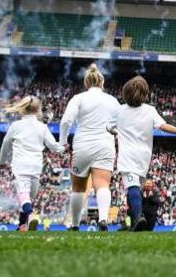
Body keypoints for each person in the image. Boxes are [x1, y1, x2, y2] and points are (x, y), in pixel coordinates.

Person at [108, 75, 176, 231]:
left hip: (128, 155)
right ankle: (135, 221)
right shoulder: (150, 110)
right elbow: (163, 126)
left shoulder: (119, 110)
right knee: (135, 189)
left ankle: (138, 217)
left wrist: (117, 131)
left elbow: (108, 127)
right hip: (144, 156)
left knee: (132, 188)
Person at [59, 63, 121, 231]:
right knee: (102, 184)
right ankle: (103, 220)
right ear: (102, 83)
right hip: (105, 145)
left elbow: (65, 121)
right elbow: (119, 126)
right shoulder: (113, 101)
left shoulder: (78, 98)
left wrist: (63, 142)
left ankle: (75, 224)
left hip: (82, 145)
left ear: (86, 83)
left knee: (78, 187)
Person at [0, 95, 64, 231]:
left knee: (24, 196)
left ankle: (30, 215)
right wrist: (64, 147)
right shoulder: (42, 127)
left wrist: (2, 161)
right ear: (38, 110)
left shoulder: (16, 125)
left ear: (22, 109)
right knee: (29, 197)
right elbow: (54, 146)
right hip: (36, 166)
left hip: (20, 164)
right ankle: (22, 225)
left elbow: (6, 144)